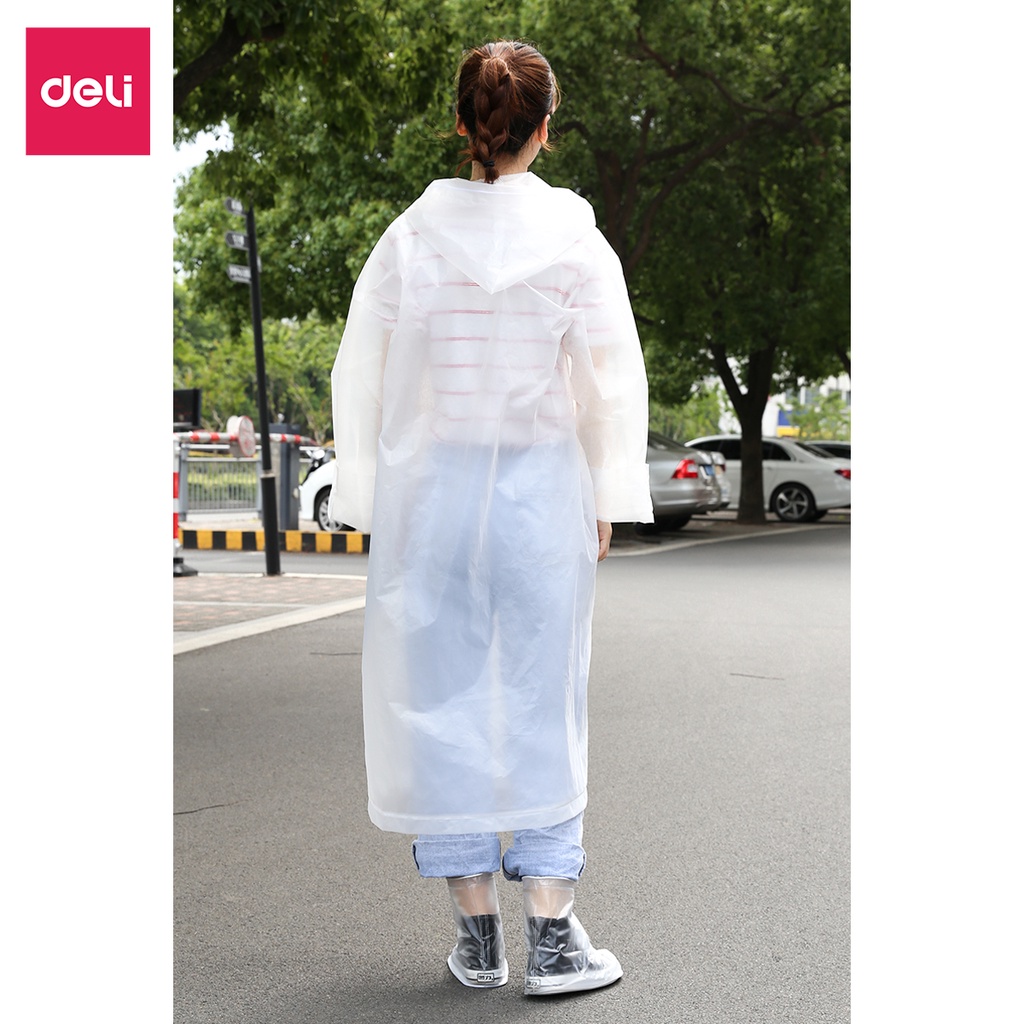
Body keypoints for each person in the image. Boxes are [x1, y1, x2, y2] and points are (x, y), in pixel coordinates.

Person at [329, 38, 653, 996]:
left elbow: (364, 371)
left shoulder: (410, 239)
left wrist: (368, 492)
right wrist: (606, 494)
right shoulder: (577, 242)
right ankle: (553, 937)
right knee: (546, 698)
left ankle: (477, 937)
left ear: (464, 125)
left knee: (441, 702)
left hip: (434, 500)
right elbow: (607, 381)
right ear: (544, 127)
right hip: (540, 500)